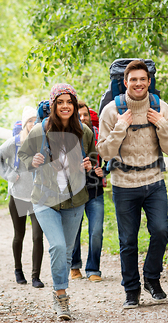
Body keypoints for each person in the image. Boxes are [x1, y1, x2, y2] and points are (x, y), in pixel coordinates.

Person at [97, 60, 168, 309]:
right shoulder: (111, 111)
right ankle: (131, 290)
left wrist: (162, 126)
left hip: (154, 182)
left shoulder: (160, 107)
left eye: (143, 79)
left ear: (149, 81)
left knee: (161, 231)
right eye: (133, 79)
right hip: (124, 184)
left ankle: (152, 280)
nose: (138, 84)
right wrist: (121, 127)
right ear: (125, 82)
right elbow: (104, 152)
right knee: (128, 240)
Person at [18, 83, 96, 320]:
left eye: (69, 102)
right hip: (45, 199)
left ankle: (59, 286)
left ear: (74, 105)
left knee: (67, 251)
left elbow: (93, 157)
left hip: (75, 200)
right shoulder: (39, 131)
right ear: (53, 105)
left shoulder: (85, 132)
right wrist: (33, 161)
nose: (65, 106)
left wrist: (90, 164)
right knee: (58, 246)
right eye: (60, 102)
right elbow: (22, 159)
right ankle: (61, 297)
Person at [0, 106, 45, 288]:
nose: (33, 124)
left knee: (38, 236)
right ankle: (18, 270)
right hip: (18, 196)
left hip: (37, 197)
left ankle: (36, 276)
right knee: (19, 235)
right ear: (24, 124)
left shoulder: (42, 142)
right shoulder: (14, 143)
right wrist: (8, 175)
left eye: (35, 120)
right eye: (29, 121)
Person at [70, 102, 105, 282]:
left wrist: (104, 170)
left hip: (95, 190)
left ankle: (93, 268)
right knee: (74, 230)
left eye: (85, 115)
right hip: (75, 191)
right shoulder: (69, 136)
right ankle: (74, 266)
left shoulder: (99, 135)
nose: (82, 119)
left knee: (96, 230)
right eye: (79, 116)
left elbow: (113, 156)